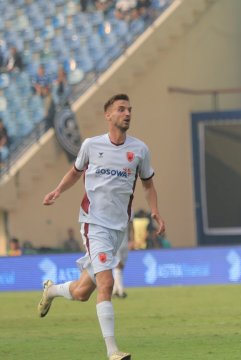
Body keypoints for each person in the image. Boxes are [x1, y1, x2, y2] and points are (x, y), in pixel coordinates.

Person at [38, 94, 166, 360]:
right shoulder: (91, 145)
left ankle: (51, 290)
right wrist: (57, 191)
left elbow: (148, 184)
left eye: (129, 109)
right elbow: (75, 172)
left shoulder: (139, 150)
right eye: (121, 109)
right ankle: (113, 352)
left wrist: (155, 212)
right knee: (106, 284)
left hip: (119, 229)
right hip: (94, 224)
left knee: (83, 292)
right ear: (108, 115)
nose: (127, 113)